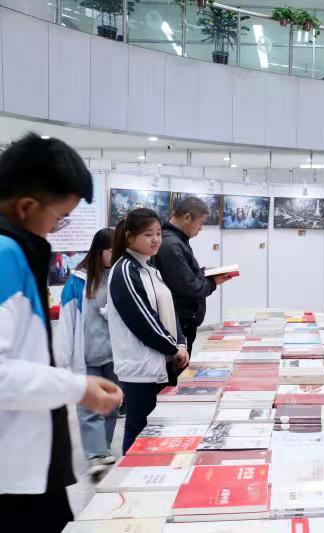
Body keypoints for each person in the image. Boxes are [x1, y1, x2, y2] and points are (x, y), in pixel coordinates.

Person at [0, 134, 122, 532]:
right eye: (59, 217)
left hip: (26, 465)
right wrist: (75, 386)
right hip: (14, 475)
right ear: (26, 207)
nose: (56, 228)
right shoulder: (5, 254)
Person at [108, 208, 190, 455]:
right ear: (130, 237)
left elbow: (170, 311)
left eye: (158, 233)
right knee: (139, 428)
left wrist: (181, 343)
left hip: (161, 362)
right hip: (140, 368)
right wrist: (173, 347)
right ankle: (128, 476)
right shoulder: (125, 270)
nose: (155, 240)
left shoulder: (150, 269)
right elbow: (143, 320)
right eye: (148, 234)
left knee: (155, 431)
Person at [57, 227, 119, 478]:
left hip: (113, 354)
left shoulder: (117, 275)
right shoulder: (77, 280)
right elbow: (66, 321)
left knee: (112, 402)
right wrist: (63, 359)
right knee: (89, 406)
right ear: (100, 251)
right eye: (112, 252)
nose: (115, 257)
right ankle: (95, 454)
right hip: (86, 355)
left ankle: (103, 447)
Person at [154, 196, 232, 354]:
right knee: (179, 365)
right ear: (187, 218)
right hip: (180, 321)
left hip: (184, 320)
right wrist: (213, 281)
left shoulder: (177, 240)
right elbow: (189, 287)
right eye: (201, 223)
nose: (201, 228)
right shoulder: (172, 245)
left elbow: (183, 275)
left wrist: (204, 272)